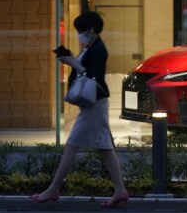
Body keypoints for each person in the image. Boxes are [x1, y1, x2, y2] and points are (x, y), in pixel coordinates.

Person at [31, 11, 129, 208]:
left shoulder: (98, 49)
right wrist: (71, 59)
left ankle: (53, 189)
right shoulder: (91, 46)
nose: (79, 34)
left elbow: (92, 75)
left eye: (80, 30)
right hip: (95, 104)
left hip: (94, 105)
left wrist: (71, 62)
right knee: (105, 148)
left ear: (90, 30)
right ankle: (120, 190)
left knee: (73, 145)